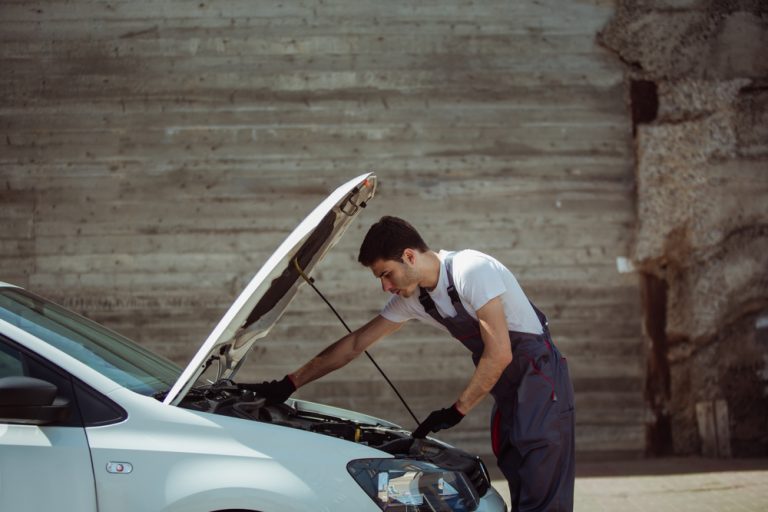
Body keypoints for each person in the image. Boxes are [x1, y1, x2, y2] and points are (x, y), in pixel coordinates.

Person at [253, 216, 575, 512]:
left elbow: (500, 352)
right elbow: (354, 344)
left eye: (386, 274)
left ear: (409, 256)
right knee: (519, 472)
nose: (385, 286)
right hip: (506, 391)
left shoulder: (471, 270)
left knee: (542, 482)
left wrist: (457, 409)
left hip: (541, 381)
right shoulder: (415, 300)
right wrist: (290, 382)